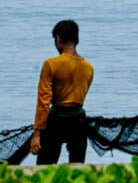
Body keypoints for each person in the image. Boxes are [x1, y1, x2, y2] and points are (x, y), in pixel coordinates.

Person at [31, 19, 95, 164]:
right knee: (77, 168)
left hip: (56, 120)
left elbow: (44, 101)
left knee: (45, 168)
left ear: (58, 39)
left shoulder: (50, 64)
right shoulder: (88, 67)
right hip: (78, 119)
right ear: (76, 40)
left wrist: (37, 134)